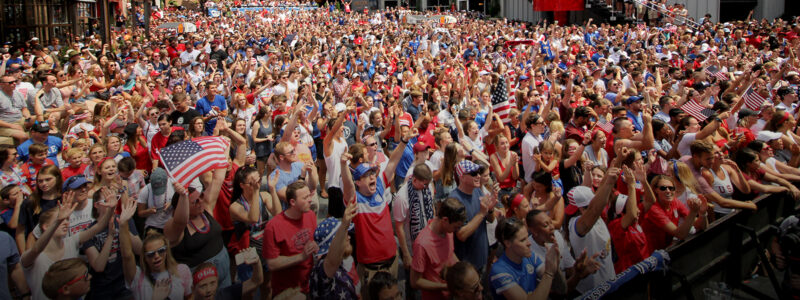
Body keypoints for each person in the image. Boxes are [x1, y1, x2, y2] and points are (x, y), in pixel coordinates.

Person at [340, 126, 408, 299]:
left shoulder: (379, 187)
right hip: (370, 269)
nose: (372, 177)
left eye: (373, 173)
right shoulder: (354, 200)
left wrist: (404, 141)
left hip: (392, 261)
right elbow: (347, 186)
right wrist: (343, 165)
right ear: (358, 182)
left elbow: (392, 163)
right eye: (367, 175)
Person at [119, 195, 193, 300]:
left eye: (161, 251)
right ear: (144, 257)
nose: (157, 256)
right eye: (151, 254)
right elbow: (127, 256)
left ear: (167, 251)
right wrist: (123, 224)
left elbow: (189, 297)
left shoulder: (181, 271)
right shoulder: (138, 277)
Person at [566, 155, 620, 293]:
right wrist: (609, 183)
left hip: (610, 285)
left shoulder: (597, 217)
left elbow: (602, 193)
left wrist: (618, 160)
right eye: (584, 208)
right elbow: (595, 210)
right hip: (592, 292)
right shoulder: (575, 225)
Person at [263, 180, 318, 296]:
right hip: (287, 292)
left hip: (309, 285)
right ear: (292, 202)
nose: (310, 200)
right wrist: (301, 257)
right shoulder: (273, 226)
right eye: (305, 197)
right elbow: (272, 263)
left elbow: (314, 242)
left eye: (310, 195)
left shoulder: (310, 215)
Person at [489, 217, 559, 300]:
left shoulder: (531, 257)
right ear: (507, 243)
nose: (529, 243)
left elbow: (561, 289)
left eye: (527, 237)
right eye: (522, 240)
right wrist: (549, 273)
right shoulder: (499, 271)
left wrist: (554, 265)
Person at [410, 197, 467, 299]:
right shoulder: (422, 244)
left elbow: (450, 254)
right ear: (445, 220)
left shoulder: (448, 231)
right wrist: (445, 287)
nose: (457, 230)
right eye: (455, 227)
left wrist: (463, 271)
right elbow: (415, 281)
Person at [449, 160, 497, 274]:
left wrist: (490, 209)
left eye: (479, 173)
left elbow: (490, 220)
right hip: (467, 265)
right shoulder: (455, 200)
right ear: (462, 177)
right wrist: (481, 213)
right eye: (474, 173)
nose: (478, 176)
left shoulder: (477, 191)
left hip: (481, 258)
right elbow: (461, 235)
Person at [309, 201, 359, 299]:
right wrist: (344, 225)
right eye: (344, 236)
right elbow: (331, 263)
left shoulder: (343, 262)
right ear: (332, 244)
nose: (349, 237)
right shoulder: (321, 269)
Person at [393, 163, 435, 272]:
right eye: (424, 184)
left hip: (428, 242)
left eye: (428, 183)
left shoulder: (427, 187)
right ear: (415, 180)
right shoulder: (402, 198)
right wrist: (406, 254)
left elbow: (432, 207)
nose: (427, 187)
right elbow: (399, 227)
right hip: (412, 248)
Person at [191, 252, 264, 300]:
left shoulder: (224, 295)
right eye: (203, 286)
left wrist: (256, 262)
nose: (209, 290)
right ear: (193, 289)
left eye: (212, 283)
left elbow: (255, 281)